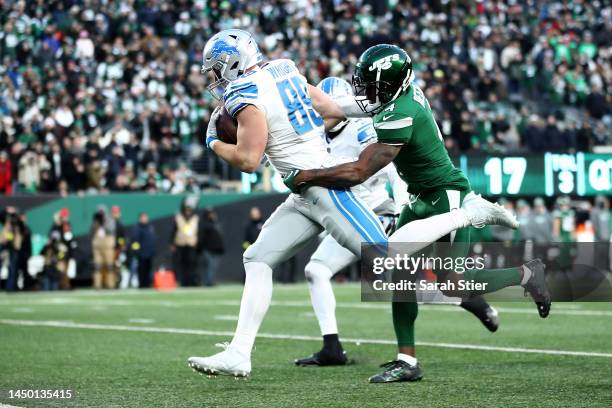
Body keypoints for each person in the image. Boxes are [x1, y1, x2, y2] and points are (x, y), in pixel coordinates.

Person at [188, 31, 516, 378]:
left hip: (324, 189)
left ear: (232, 63)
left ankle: (470, 213)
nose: (213, 77)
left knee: (389, 256)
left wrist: (212, 141)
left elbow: (248, 159)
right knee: (256, 258)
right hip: (303, 192)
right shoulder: (283, 68)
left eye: (215, 69)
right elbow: (327, 105)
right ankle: (240, 352)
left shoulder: (244, 92)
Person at [283, 44, 551, 382]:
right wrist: (286, 79)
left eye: (374, 86)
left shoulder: (401, 111)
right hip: (418, 196)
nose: (367, 93)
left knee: (453, 285)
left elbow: (359, 171)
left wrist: (307, 177)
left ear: (393, 85)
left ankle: (526, 276)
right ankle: (406, 361)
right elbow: (334, 104)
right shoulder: (395, 97)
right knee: (400, 275)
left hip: (445, 198)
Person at [295, 77, 500, 368]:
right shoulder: (319, 137)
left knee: (404, 282)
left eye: (323, 113)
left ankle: (473, 296)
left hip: (378, 215)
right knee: (317, 270)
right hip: (347, 216)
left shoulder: (365, 127)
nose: (318, 120)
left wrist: (405, 209)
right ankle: (332, 347)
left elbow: (392, 168)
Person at [170, 196, 200, 286]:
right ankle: (183, 282)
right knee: (181, 264)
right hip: (180, 244)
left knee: (191, 264)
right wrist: (172, 243)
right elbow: (174, 231)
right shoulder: (178, 218)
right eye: (186, 210)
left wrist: (198, 243)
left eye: (189, 210)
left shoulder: (195, 218)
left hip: (191, 245)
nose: (188, 212)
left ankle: (192, 281)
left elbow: (199, 232)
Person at [91, 206, 117, 289]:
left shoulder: (109, 220)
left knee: (109, 266)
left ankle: (110, 284)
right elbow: (91, 231)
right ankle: (98, 285)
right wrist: (97, 223)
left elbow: (111, 230)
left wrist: (104, 222)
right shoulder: (95, 221)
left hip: (107, 245)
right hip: (98, 246)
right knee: (97, 266)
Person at [129, 212, 157, 288]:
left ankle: (147, 285)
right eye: (143, 217)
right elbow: (135, 241)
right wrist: (136, 252)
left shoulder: (150, 227)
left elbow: (152, 239)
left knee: (148, 271)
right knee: (141, 271)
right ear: (140, 218)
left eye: (145, 217)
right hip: (141, 254)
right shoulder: (137, 228)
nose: (144, 219)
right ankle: (142, 285)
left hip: (149, 253)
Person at [199, 208, 225, 287]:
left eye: (213, 213)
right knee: (209, 266)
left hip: (216, 249)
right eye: (210, 214)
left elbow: (219, 238)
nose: (213, 215)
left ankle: (210, 281)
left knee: (213, 266)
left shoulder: (216, 224)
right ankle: (208, 282)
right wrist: (201, 248)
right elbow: (201, 238)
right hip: (208, 250)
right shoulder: (204, 225)